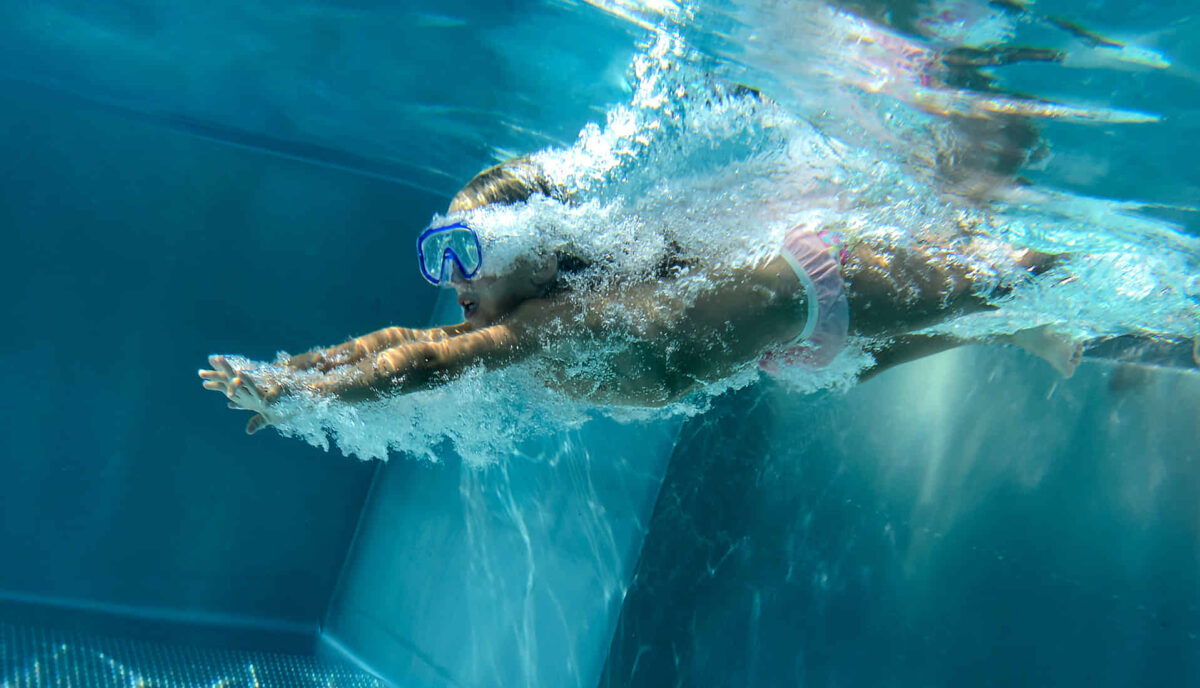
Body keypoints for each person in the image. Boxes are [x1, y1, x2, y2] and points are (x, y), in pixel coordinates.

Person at [200, 156, 1081, 435]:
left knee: (1026, 268)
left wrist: (308, 402)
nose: (453, 283)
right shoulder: (534, 307)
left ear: (535, 254)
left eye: (468, 254)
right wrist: (287, 371)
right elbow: (397, 335)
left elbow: (432, 360)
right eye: (439, 258)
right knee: (870, 360)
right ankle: (1025, 331)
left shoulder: (550, 321)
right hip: (786, 345)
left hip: (823, 283)